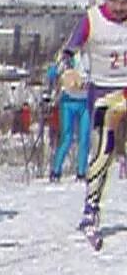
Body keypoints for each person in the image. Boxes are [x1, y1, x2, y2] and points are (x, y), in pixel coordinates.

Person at [63, 0, 127, 233]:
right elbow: (68, 50)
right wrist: (69, 70)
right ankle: (91, 208)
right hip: (103, 93)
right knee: (104, 148)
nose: (121, 8)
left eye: (125, 2)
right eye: (116, 1)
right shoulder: (92, 19)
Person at [50, 48, 94, 181]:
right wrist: (59, 66)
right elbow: (52, 74)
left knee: (84, 137)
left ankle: (81, 172)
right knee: (67, 137)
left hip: (85, 102)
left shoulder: (92, 56)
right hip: (68, 101)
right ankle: (56, 171)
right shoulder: (66, 55)